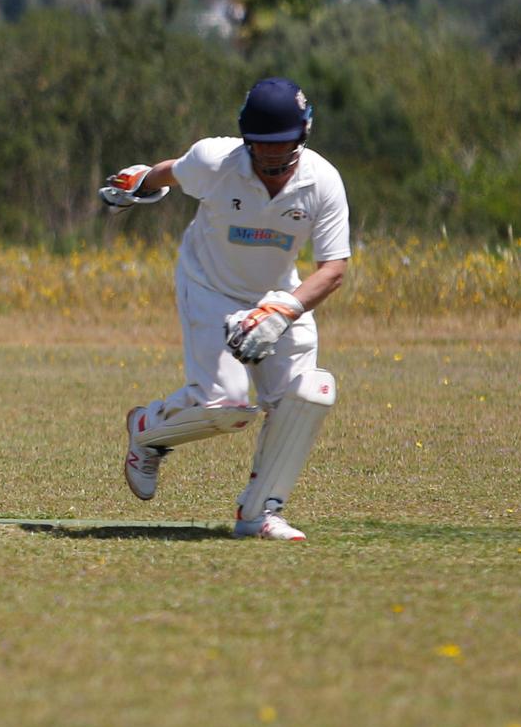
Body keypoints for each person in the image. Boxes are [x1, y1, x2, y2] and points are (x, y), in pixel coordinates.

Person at [100, 77, 350, 541]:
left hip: (278, 297)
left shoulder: (323, 182)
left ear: (304, 134)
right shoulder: (217, 160)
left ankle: (259, 513)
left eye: (284, 145)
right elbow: (173, 171)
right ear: (246, 138)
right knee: (227, 406)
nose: (273, 158)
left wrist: (282, 312)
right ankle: (146, 429)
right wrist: (138, 183)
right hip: (208, 284)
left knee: (308, 394)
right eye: (263, 146)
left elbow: (333, 268)